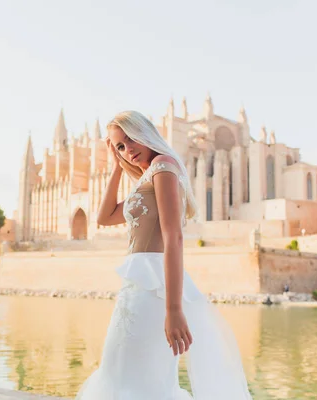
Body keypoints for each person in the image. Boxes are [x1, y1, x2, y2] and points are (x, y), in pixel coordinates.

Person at [75, 110, 252, 399]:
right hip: (136, 288)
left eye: (131, 139)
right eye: (120, 145)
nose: (128, 149)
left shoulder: (163, 165)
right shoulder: (147, 175)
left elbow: (174, 237)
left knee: (136, 376)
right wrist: (117, 166)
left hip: (155, 288)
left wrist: (173, 310)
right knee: (118, 370)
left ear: (145, 132)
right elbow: (104, 217)